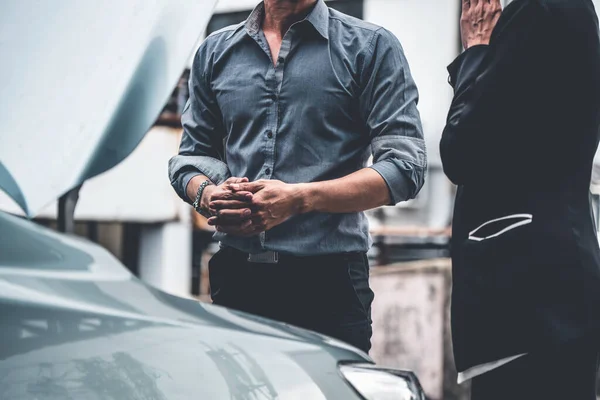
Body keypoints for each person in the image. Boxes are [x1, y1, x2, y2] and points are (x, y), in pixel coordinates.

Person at [169, 0, 426, 353]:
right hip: (237, 279)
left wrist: (300, 198)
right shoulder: (215, 51)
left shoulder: (370, 46)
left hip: (328, 284)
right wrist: (209, 195)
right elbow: (191, 158)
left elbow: (404, 168)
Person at [440, 0, 600, 398]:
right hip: (558, 285)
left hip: (523, 295)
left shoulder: (535, 13)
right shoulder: (572, 12)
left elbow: (461, 152)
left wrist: (476, 49)